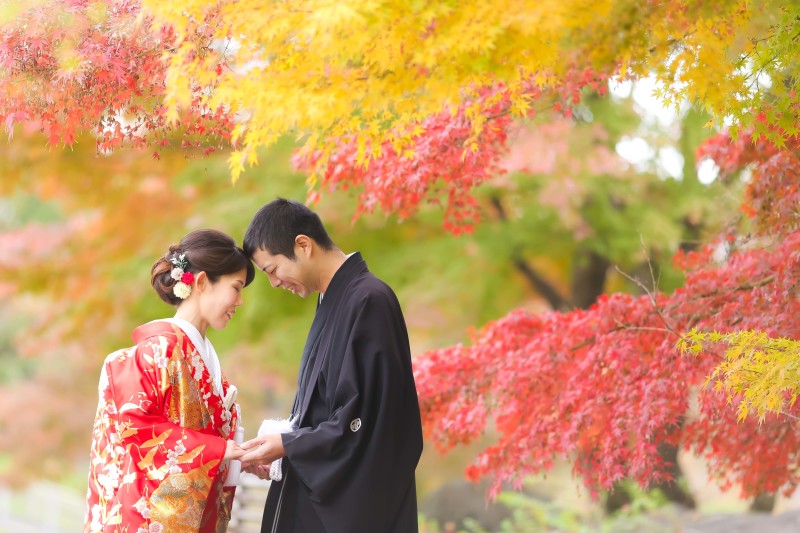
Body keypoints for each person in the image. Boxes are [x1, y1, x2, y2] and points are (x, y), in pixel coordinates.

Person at [240, 198, 423, 533]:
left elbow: (368, 422)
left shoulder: (369, 300)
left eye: (273, 270)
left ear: (303, 245)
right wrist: (282, 448)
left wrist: (289, 444)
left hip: (358, 510)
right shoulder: (333, 300)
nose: (275, 283)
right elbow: (325, 409)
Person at [84, 229, 254, 533]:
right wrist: (219, 449)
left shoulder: (202, 357)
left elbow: (216, 441)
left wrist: (242, 458)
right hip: (152, 518)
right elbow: (136, 429)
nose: (239, 301)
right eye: (236, 287)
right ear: (201, 282)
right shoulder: (158, 350)